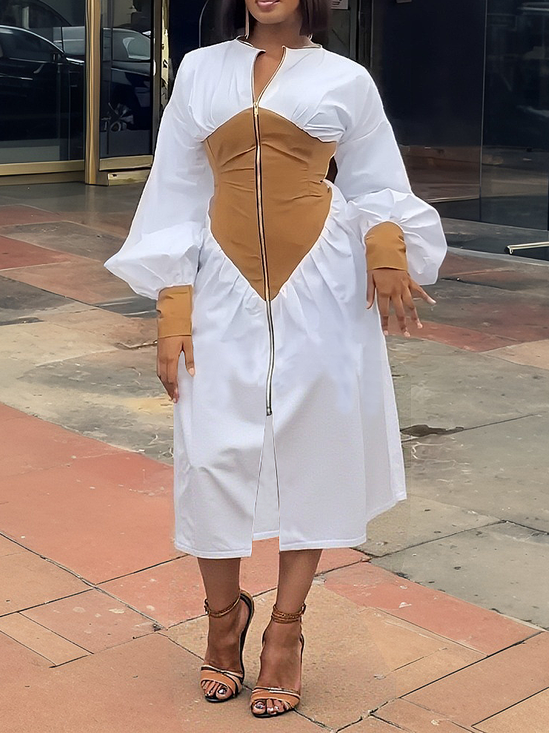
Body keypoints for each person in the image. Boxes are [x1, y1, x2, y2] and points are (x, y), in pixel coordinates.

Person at [104, 0, 447, 718]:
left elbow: (378, 183)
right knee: (209, 452)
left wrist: (386, 245)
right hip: (218, 282)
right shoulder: (201, 70)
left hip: (323, 283)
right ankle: (223, 617)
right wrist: (172, 304)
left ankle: (285, 631)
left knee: (315, 445)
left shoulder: (345, 78)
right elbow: (175, 189)